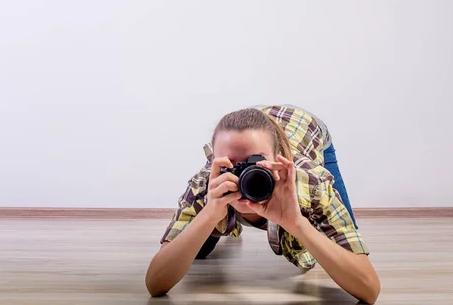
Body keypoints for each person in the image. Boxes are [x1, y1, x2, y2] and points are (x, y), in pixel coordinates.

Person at [145, 105, 380, 303]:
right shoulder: (204, 182)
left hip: (308, 127)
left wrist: (297, 222)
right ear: (214, 161)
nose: (244, 176)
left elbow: (368, 289)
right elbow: (156, 284)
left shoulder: (312, 184)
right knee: (199, 249)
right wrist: (209, 214)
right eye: (233, 167)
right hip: (257, 131)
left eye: (256, 164)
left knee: (340, 246)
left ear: (278, 157)